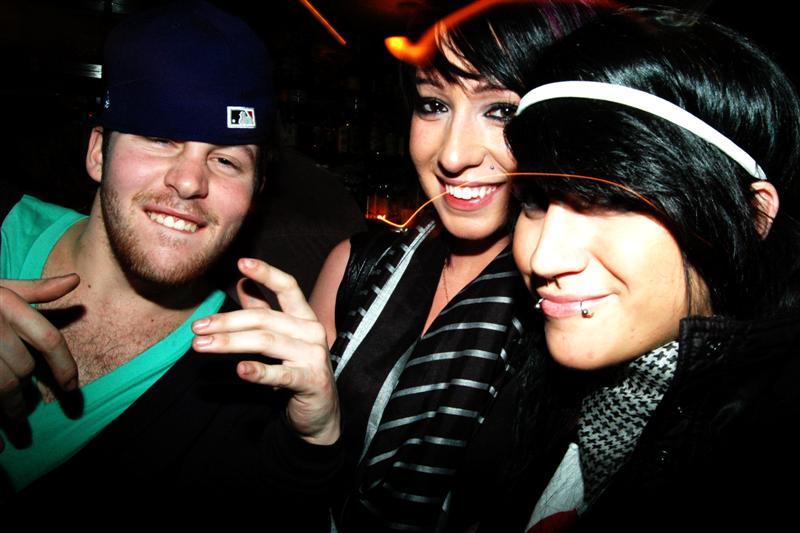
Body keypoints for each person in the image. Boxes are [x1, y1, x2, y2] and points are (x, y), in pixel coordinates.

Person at [0, 0, 339, 520]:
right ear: (98, 153)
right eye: (160, 139)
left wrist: (315, 441)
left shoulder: (239, 378)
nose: (188, 181)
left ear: (255, 194)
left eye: (225, 160)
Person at [502, 6, 800, 530]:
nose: (545, 257)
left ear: (752, 216)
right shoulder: (536, 396)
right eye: (535, 201)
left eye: (612, 200)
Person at [307, 3, 597, 531]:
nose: (453, 155)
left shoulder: (591, 309)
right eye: (434, 104)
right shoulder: (355, 268)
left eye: (501, 111)